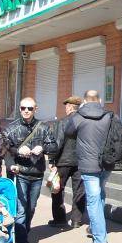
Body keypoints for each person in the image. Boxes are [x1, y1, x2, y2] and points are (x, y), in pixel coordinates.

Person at [63, 90, 113, 243]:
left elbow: (68, 132)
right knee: (100, 194)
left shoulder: (79, 116)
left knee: (93, 199)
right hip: (106, 163)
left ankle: (100, 240)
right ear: (100, 100)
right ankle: (94, 227)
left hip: (87, 164)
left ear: (84, 101)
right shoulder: (109, 115)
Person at [2, 97, 50, 243]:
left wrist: (43, 148)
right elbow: (4, 148)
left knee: (31, 207)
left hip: (37, 173)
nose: (26, 111)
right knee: (21, 209)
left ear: (35, 109)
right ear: (20, 109)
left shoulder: (43, 127)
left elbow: (54, 146)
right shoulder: (11, 128)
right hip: (20, 172)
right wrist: (17, 151)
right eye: (23, 108)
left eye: (30, 108)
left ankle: (22, 233)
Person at [45, 96, 86, 229]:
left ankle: (59, 219)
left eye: (66, 106)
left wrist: (51, 160)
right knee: (79, 191)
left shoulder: (62, 122)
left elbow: (57, 142)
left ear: (69, 107)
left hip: (63, 160)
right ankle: (76, 220)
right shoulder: (85, 122)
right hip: (81, 161)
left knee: (57, 189)